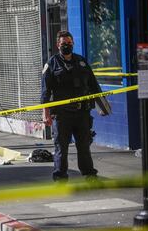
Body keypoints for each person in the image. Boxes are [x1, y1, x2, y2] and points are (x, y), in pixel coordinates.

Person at [41, 30, 103, 182]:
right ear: (58, 45)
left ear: (73, 44)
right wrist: (46, 113)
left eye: (69, 43)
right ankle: (60, 178)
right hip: (62, 116)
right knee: (61, 148)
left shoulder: (81, 61)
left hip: (82, 113)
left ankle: (90, 175)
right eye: (63, 44)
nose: (67, 46)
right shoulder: (51, 64)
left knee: (84, 147)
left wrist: (102, 106)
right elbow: (45, 91)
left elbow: (94, 85)